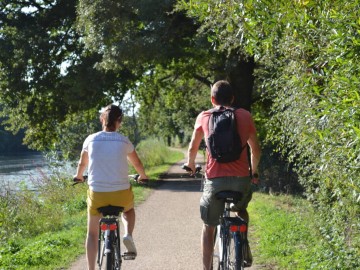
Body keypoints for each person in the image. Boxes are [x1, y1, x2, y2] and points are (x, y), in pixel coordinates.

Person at [185, 80, 261, 270]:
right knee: (241, 210)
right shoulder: (245, 115)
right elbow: (256, 149)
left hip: (215, 181)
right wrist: (254, 171)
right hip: (241, 180)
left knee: (208, 225)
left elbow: (193, 146)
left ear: (212, 99)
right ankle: (243, 246)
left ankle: (207, 268)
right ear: (232, 98)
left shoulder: (204, 117)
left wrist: (191, 164)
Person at [74, 104, 149, 270]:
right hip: (121, 194)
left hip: (97, 194)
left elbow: (82, 163)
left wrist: (78, 176)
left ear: (102, 120)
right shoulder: (124, 141)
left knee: (92, 233)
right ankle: (128, 234)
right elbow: (137, 163)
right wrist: (143, 176)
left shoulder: (90, 139)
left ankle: (91, 268)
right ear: (119, 121)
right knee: (128, 210)